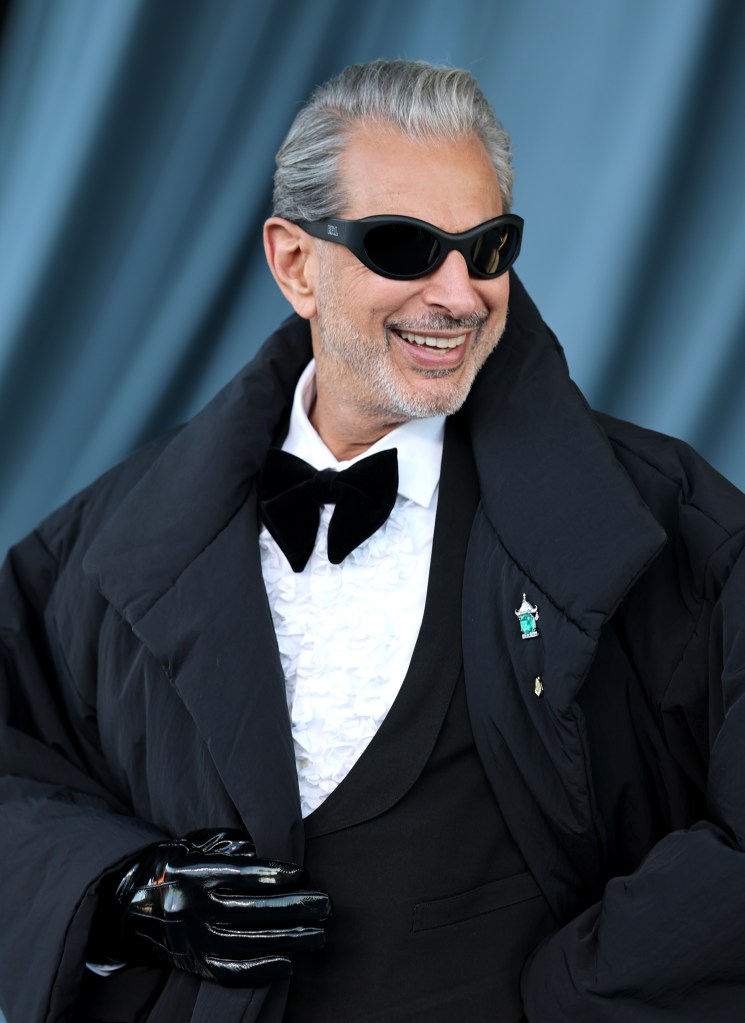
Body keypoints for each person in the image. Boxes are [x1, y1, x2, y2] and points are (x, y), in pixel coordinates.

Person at [0, 58, 744, 1023]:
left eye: (487, 248)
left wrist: (585, 993)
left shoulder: (672, 523)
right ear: (293, 263)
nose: (459, 293)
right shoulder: (101, 545)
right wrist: (120, 891)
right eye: (404, 246)